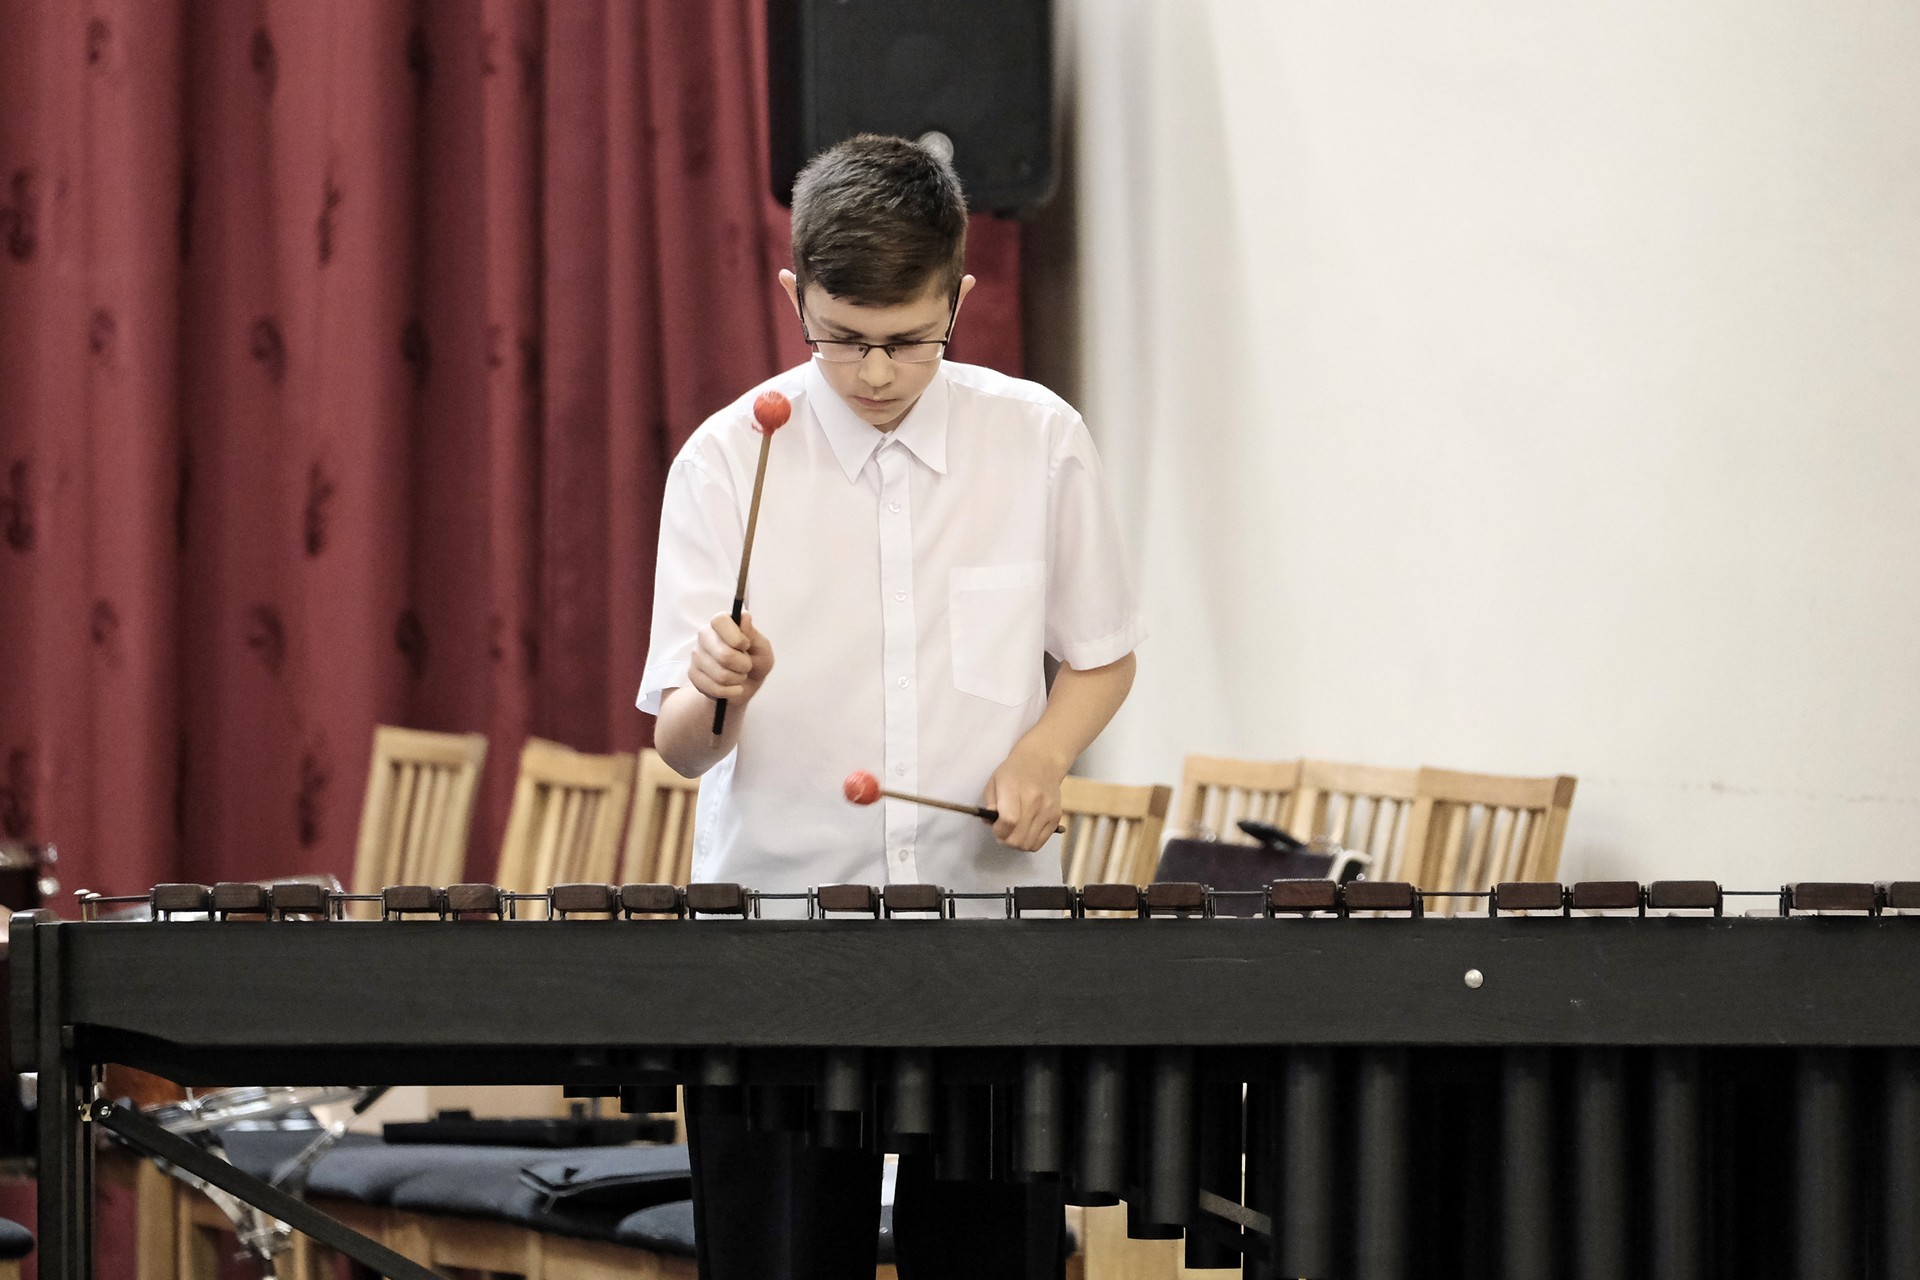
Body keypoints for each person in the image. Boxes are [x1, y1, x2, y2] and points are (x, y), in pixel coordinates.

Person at [638, 134, 1143, 1280]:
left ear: (959, 298)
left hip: (988, 937)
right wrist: (716, 692)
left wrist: (1045, 751)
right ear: (794, 296)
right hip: (777, 947)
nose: (873, 372)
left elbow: (1102, 656)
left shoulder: (1038, 440)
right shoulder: (727, 461)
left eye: (908, 340)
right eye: (842, 337)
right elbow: (680, 749)